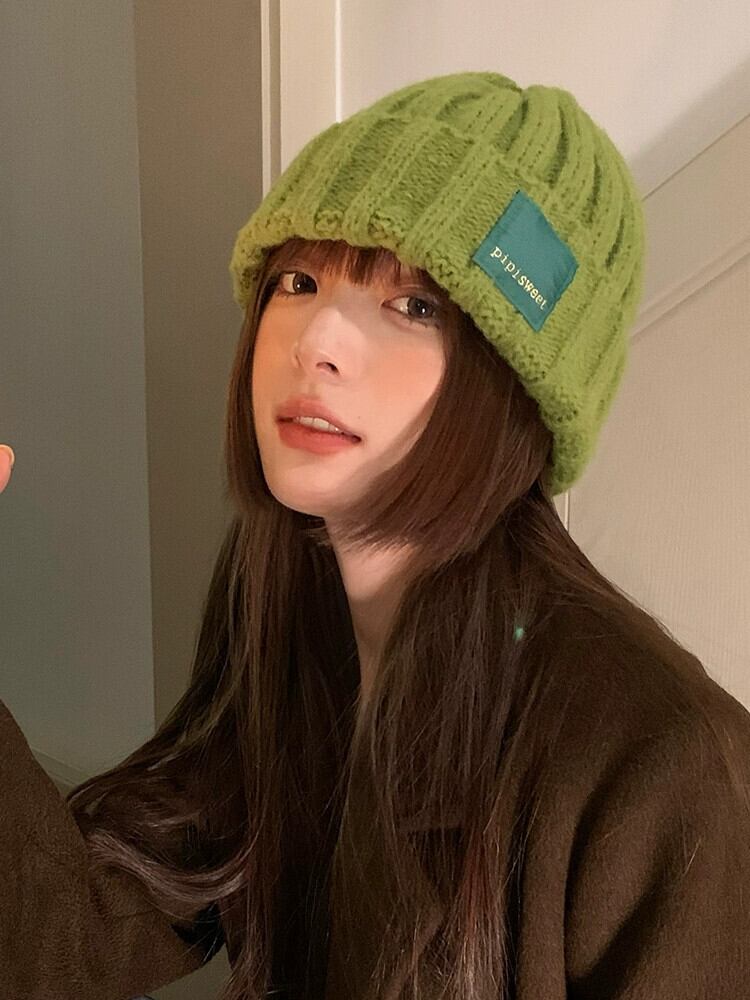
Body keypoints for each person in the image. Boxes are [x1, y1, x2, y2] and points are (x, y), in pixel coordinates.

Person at [2, 70, 750, 1000]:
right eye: (299, 279)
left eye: (416, 306)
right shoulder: (285, 591)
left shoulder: (667, 770)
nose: (317, 340)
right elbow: (64, 939)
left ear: (517, 392)